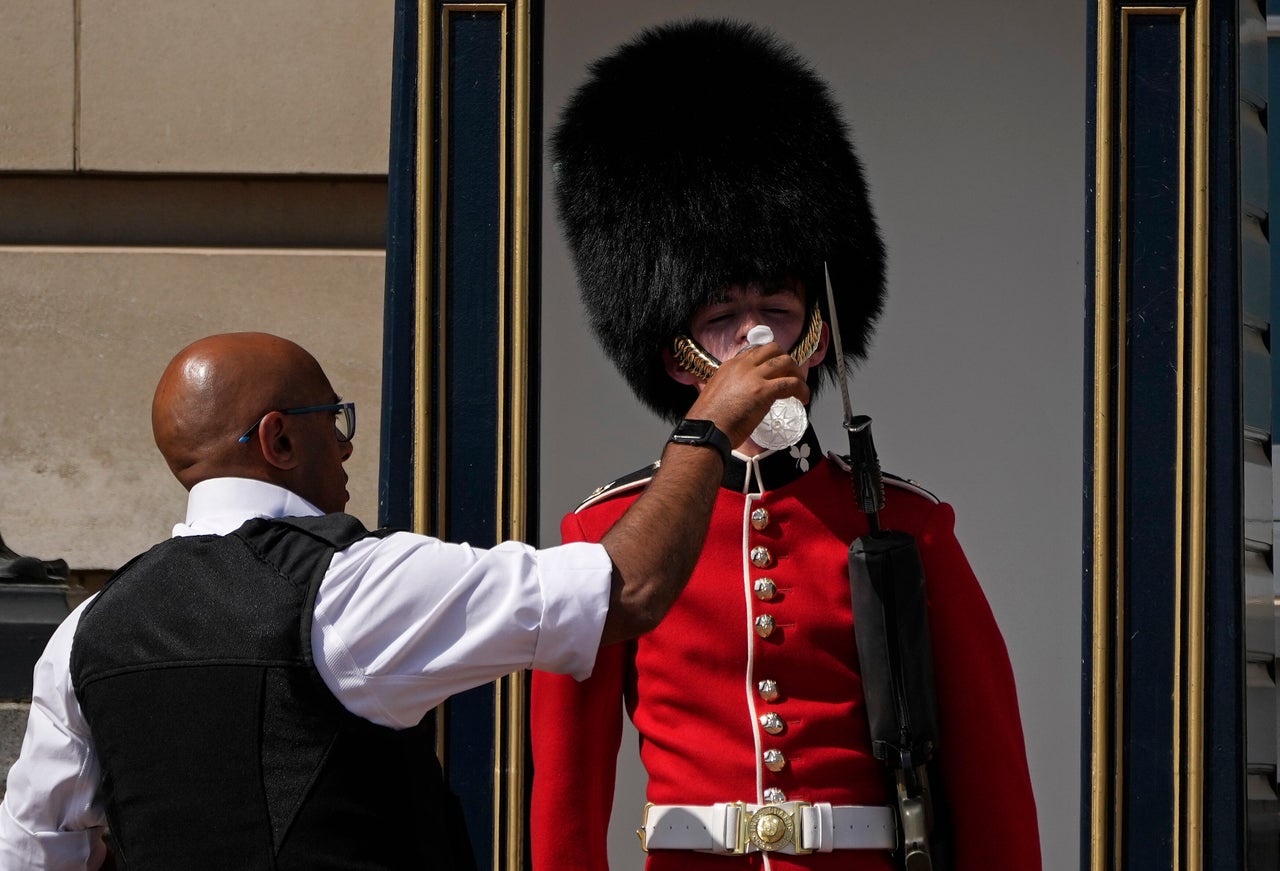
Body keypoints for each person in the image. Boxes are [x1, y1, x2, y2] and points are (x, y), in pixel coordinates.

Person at [0, 330, 807, 870]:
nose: (347, 443)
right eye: (332, 420)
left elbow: (34, 850)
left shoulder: (84, 632)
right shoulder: (351, 587)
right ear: (280, 439)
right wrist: (706, 426)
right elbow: (626, 588)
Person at [530, 19, 1042, 870]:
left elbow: (993, 786)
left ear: (819, 330)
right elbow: (568, 805)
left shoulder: (909, 525)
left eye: (779, 305)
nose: (757, 335)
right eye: (722, 316)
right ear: (677, 352)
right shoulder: (604, 537)